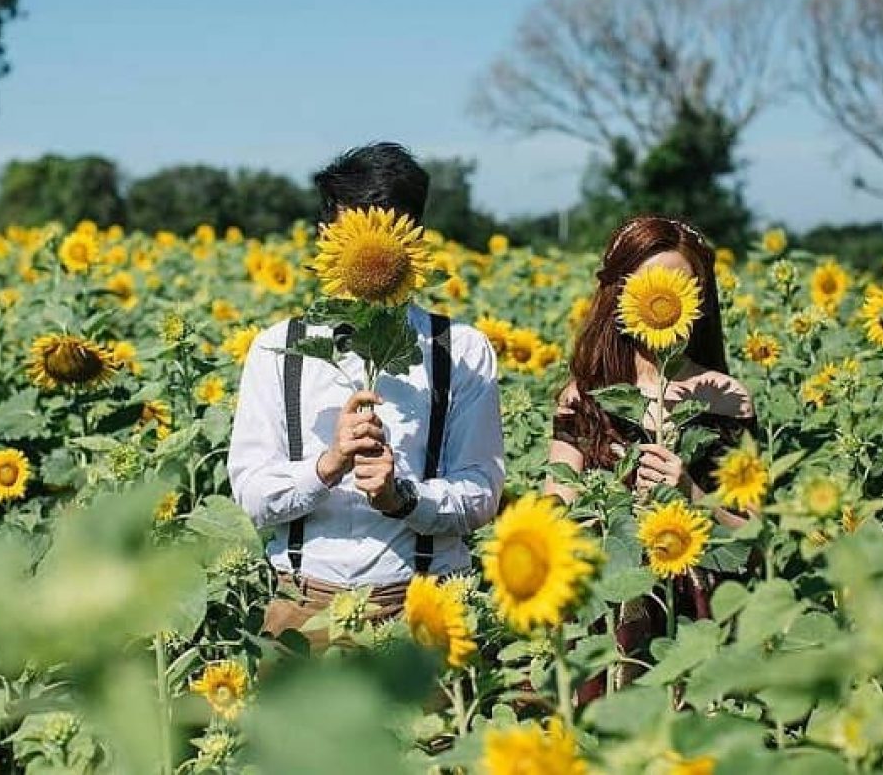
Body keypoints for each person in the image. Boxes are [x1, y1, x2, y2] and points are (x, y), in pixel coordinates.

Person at [228, 142, 505, 647]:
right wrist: (326, 466)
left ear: (412, 242)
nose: (369, 251)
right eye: (352, 233)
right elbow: (251, 493)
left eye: (384, 234)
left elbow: (483, 490)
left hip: (423, 606)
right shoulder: (278, 350)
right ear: (325, 236)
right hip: (303, 609)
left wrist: (404, 498)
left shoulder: (460, 350)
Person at [547, 214, 757, 698]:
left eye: (683, 288)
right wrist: (606, 509)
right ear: (619, 294)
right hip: (604, 607)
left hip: (694, 611)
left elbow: (756, 539)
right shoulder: (585, 395)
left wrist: (693, 494)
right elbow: (555, 510)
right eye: (647, 286)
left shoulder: (725, 397)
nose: (663, 300)